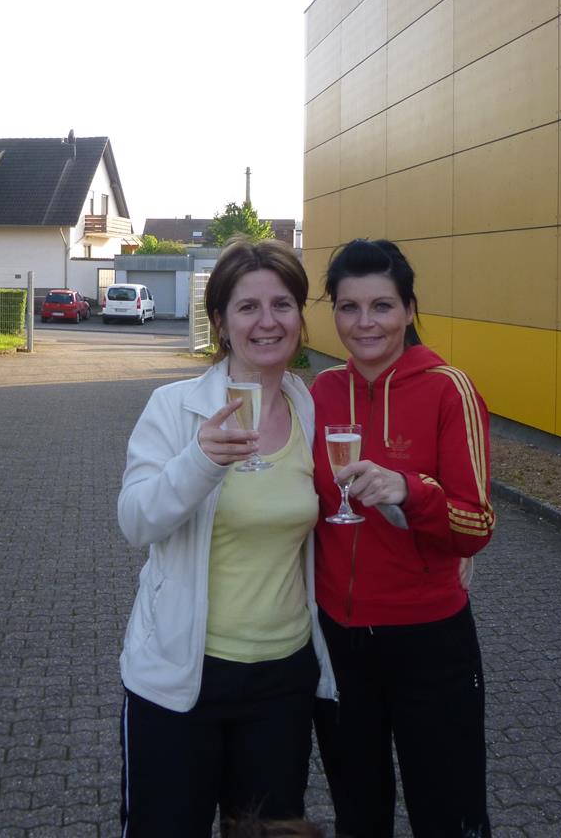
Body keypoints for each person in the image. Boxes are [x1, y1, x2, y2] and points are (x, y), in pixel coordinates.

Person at [117, 237, 336, 836]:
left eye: (282, 304)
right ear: (220, 321)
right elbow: (135, 521)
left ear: (299, 317)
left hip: (283, 678)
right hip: (182, 676)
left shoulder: (312, 410)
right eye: (248, 307)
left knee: (267, 831)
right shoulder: (174, 407)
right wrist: (199, 462)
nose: (268, 322)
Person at [311, 238, 495, 838]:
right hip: (339, 640)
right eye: (349, 307)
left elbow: (477, 524)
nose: (365, 323)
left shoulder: (449, 389)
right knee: (358, 815)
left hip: (428, 640)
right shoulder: (320, 392)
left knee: (448, 815)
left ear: (410, 309)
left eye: (382, 306)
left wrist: (411, 491)